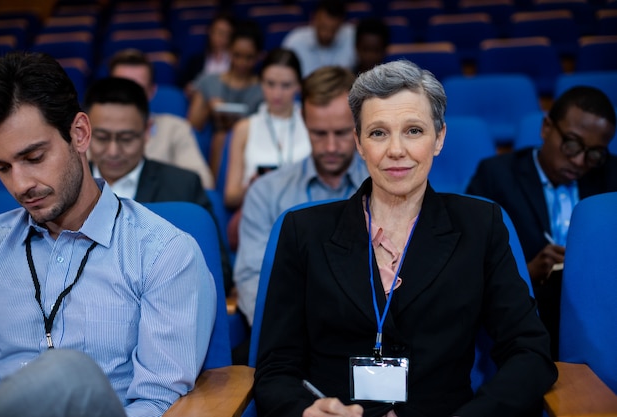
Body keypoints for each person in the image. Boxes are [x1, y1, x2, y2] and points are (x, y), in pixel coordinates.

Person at [254, 60, 557, 417]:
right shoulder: (303, 231)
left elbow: (529, 353)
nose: (396, 150)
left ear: (439, 138)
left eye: (413, 131)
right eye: (378, 133)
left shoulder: (481, 225)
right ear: (359, 143)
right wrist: (304, 411)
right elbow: (275, 369)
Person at [0, 52, 216, 416]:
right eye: (2, 167)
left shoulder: (162, 253)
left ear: (79, 134)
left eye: (34, 158)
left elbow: (158, 403)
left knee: (70, 372)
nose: (20, 185)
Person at [466, 86, 617, 359]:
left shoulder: (610, 176)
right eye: (571, 144)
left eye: (595, 153)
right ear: (546, 127)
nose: (580, 161)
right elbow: (468, 258)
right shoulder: (496, 176)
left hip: (601, 312)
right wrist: (527, 271)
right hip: (525, 317)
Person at [234, 65, 368, 327]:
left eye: (341, 133)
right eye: (319, 133)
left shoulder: (387, 188)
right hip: (291, 335)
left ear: (358, 126)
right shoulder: (266, 191)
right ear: (304, 122)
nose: (330, 147)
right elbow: (254, 279)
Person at [84, 76, 234, 294]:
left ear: (147, 131)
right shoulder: (69, 188)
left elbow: (218, 272)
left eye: (126, 138)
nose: (113, 151)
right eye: (102, 137)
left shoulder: (182, 186)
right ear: (84, 132)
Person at [108, 48, 215, 189]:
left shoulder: (176, 128)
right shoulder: (93, 132)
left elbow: (203, 182)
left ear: (152, 91)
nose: (128, 97)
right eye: (121, 88)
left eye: (137, 89)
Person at [224, 48, 310, 212]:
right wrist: (252, 186)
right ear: (260, 82)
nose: (277, 93)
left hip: (304, 212)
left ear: (298, 86)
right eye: (270, 84)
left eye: (286, 85)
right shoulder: (244, 128)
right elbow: (230, 196)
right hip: (258, 210)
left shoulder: (311, 122)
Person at [187, 20, 265, 176]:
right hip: (212, 146)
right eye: (237, 55)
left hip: (250, 148)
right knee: (220, 137)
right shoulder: (210, 81)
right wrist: (210, 107)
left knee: (223, 137)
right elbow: (192, 125)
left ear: (258, 56)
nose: (242, 63)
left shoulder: (263, 89)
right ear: (229, 51)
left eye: (249, 58)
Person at [282, 0, 356, 77]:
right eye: (322, 27)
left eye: (333, 30)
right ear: (313, 19)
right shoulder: (295, 41)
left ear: (342, 24)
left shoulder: (352, 37)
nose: (326, 34)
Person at [178, 11, 235, 93]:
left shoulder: (236, 61)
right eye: (219, 32)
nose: (222, 38)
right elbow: (183, 84)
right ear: (210, 32)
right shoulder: (195, 62)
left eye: (227, 34)